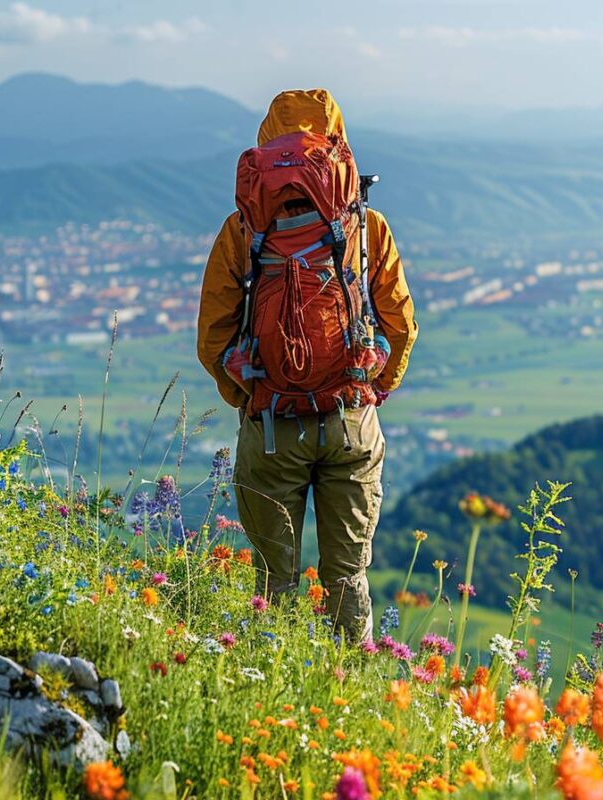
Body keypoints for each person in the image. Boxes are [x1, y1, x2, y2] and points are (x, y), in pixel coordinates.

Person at [196, 89, 417, 640]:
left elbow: (212, 338)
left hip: (271, 427)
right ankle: (351, 699)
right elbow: (401, 324)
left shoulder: (243, 230)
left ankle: (269, 689)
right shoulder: (365, 227)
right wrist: (373, 390)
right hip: (350, 421)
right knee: (347, 577)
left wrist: (251, 397)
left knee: (274, 583)